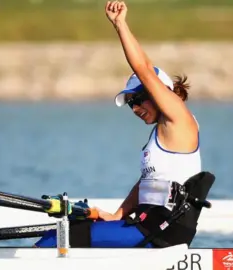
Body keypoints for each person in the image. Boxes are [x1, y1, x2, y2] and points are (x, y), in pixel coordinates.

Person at [34, 0, 212, 248]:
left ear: (160, 93)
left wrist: (120, 25)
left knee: (56, 239)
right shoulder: (160, 134)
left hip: (162, 229)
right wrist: (117, 215)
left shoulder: (178, 119)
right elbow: (146, 184)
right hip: (149, 224)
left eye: (138, 99)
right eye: (130, 104)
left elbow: (144, 69)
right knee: (71, 228)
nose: (135, 108)